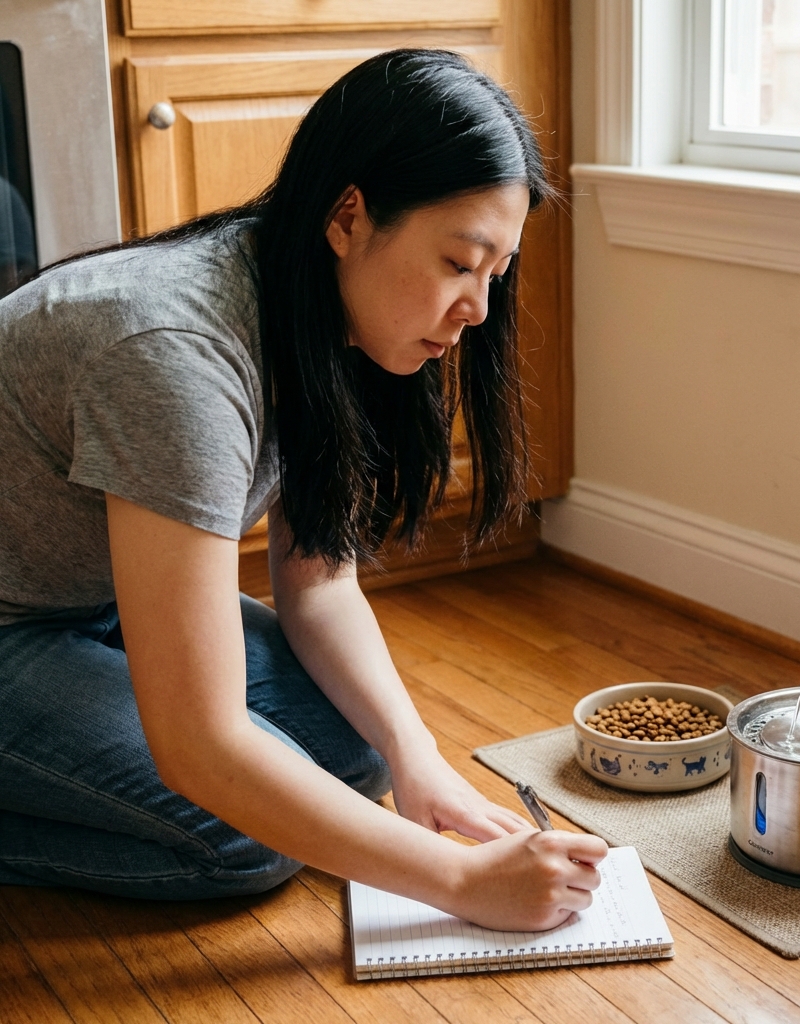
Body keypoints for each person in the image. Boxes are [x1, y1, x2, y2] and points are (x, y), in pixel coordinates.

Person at [0, 49, 606, 931]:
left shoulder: (333, 316)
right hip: (13, 621)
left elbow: (318, 584)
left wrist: (417, 756)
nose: (477, 308)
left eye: (495, 274)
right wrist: (460, 882)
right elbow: (201, 746)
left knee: (354, 752)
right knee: (244, 839)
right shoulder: (172, 354)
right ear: (349, 216)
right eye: (458, 263)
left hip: (83, 597)